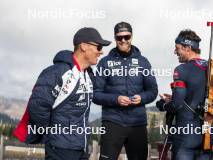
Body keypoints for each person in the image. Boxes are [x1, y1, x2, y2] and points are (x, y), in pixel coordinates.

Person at [14, 27, 111, 160]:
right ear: (83, 46)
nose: (101, 52)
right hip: (59, 150)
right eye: (98, 47)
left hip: (81, 148)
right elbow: (37, 107)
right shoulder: (56, 72)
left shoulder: (89, 75)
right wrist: (51, 135)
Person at [93, 22, 158, 160]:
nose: (123, 40)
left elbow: (153, 91)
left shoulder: (143, 62)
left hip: (137, 123)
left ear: (131, 37)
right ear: (115, 38)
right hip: (112, 122)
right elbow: (95, 94)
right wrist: (116, 99)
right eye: (119, 37)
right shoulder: (104, 62)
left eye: (126, 37)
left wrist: (141, 97)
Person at [156, 29, 211, 160]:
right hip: (206, 134)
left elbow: (176, 104)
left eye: (177, 48)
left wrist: (163, 105)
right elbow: (200, 95)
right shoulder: (211, 68)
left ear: (187, 47)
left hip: (185, 135)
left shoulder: (181, 69)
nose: (175, 52)